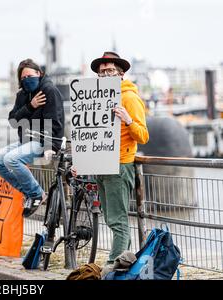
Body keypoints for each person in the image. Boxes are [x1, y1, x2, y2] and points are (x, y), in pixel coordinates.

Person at [73, 52, 149, 269]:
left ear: (121, 73)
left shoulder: (129, 98)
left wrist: (128, 120)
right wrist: (82, 162)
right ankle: (127, 264)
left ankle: (110, 268)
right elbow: (89, 133)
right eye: (101, 71)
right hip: (101, 164)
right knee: (111, 218)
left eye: (110, 70)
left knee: (118, 221)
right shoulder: (96, 98)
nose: (105, 74)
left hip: (119, 164)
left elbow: (143, 135)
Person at [0, 59, 65, 218]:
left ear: (39, 73)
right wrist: (30, 106)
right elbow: (13, 121)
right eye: (23, 78)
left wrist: (50, 146)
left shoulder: (49, 90)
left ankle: (37, 194)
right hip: (27, 140)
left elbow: (55, 120)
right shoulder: (22, 94)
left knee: (12, 159)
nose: (26, 80)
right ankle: (31, 192)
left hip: (44, 141)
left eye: (29, 75)